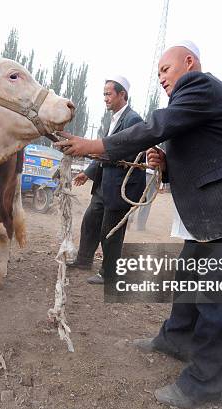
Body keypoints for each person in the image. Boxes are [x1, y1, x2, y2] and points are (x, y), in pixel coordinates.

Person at [56, 41, 222, 408]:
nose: (161, 78)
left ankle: (204, 385)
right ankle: (176, 339)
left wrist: (94, 146)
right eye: (159, 73)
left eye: (165, 70)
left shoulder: (201, 85)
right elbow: (202, 151)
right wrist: (165, 162)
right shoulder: (191, 107)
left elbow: (156, 125)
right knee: (188, 283)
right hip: (214, 216)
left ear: (189, 62)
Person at [68, 75, 146, 285]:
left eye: (108, 94)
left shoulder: (133, 120)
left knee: (111, 231)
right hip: (105, 184)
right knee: (90, 221)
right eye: (103, 94)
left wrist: (89, 149)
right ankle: (84, 260)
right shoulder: (113, 120)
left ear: (122, 94)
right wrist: (89, 172)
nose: (105, 98)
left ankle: (109, 273)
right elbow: (105, 150)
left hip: (122, 187)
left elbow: (126, 153)